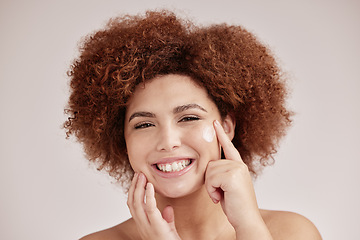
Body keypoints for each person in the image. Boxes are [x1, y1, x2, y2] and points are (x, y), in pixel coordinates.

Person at [64, 10, 322, 240]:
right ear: (121, 139)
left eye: (188, 118)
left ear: (227, 126)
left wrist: (249, 228)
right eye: (144, 124)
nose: (167, 141)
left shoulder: (292, 233)